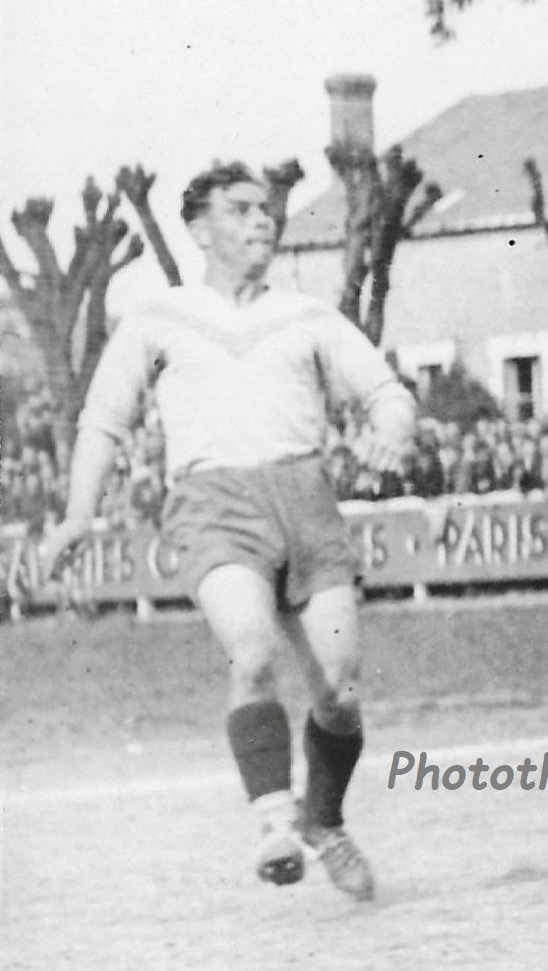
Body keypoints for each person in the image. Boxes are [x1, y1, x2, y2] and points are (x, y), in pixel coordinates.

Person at [36, 162, 410, 900]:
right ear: (201, 229)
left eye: (267, 210)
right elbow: (104, 421)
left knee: (337, 687)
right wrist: (80, 513)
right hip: (212, 503)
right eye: (240, 210)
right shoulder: (158, 320)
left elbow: (387, 392)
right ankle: (274, 819)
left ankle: (323, 822)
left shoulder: (306, 318)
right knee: (251, 645)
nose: (262, 221)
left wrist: (393, 432)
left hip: (305, 501)